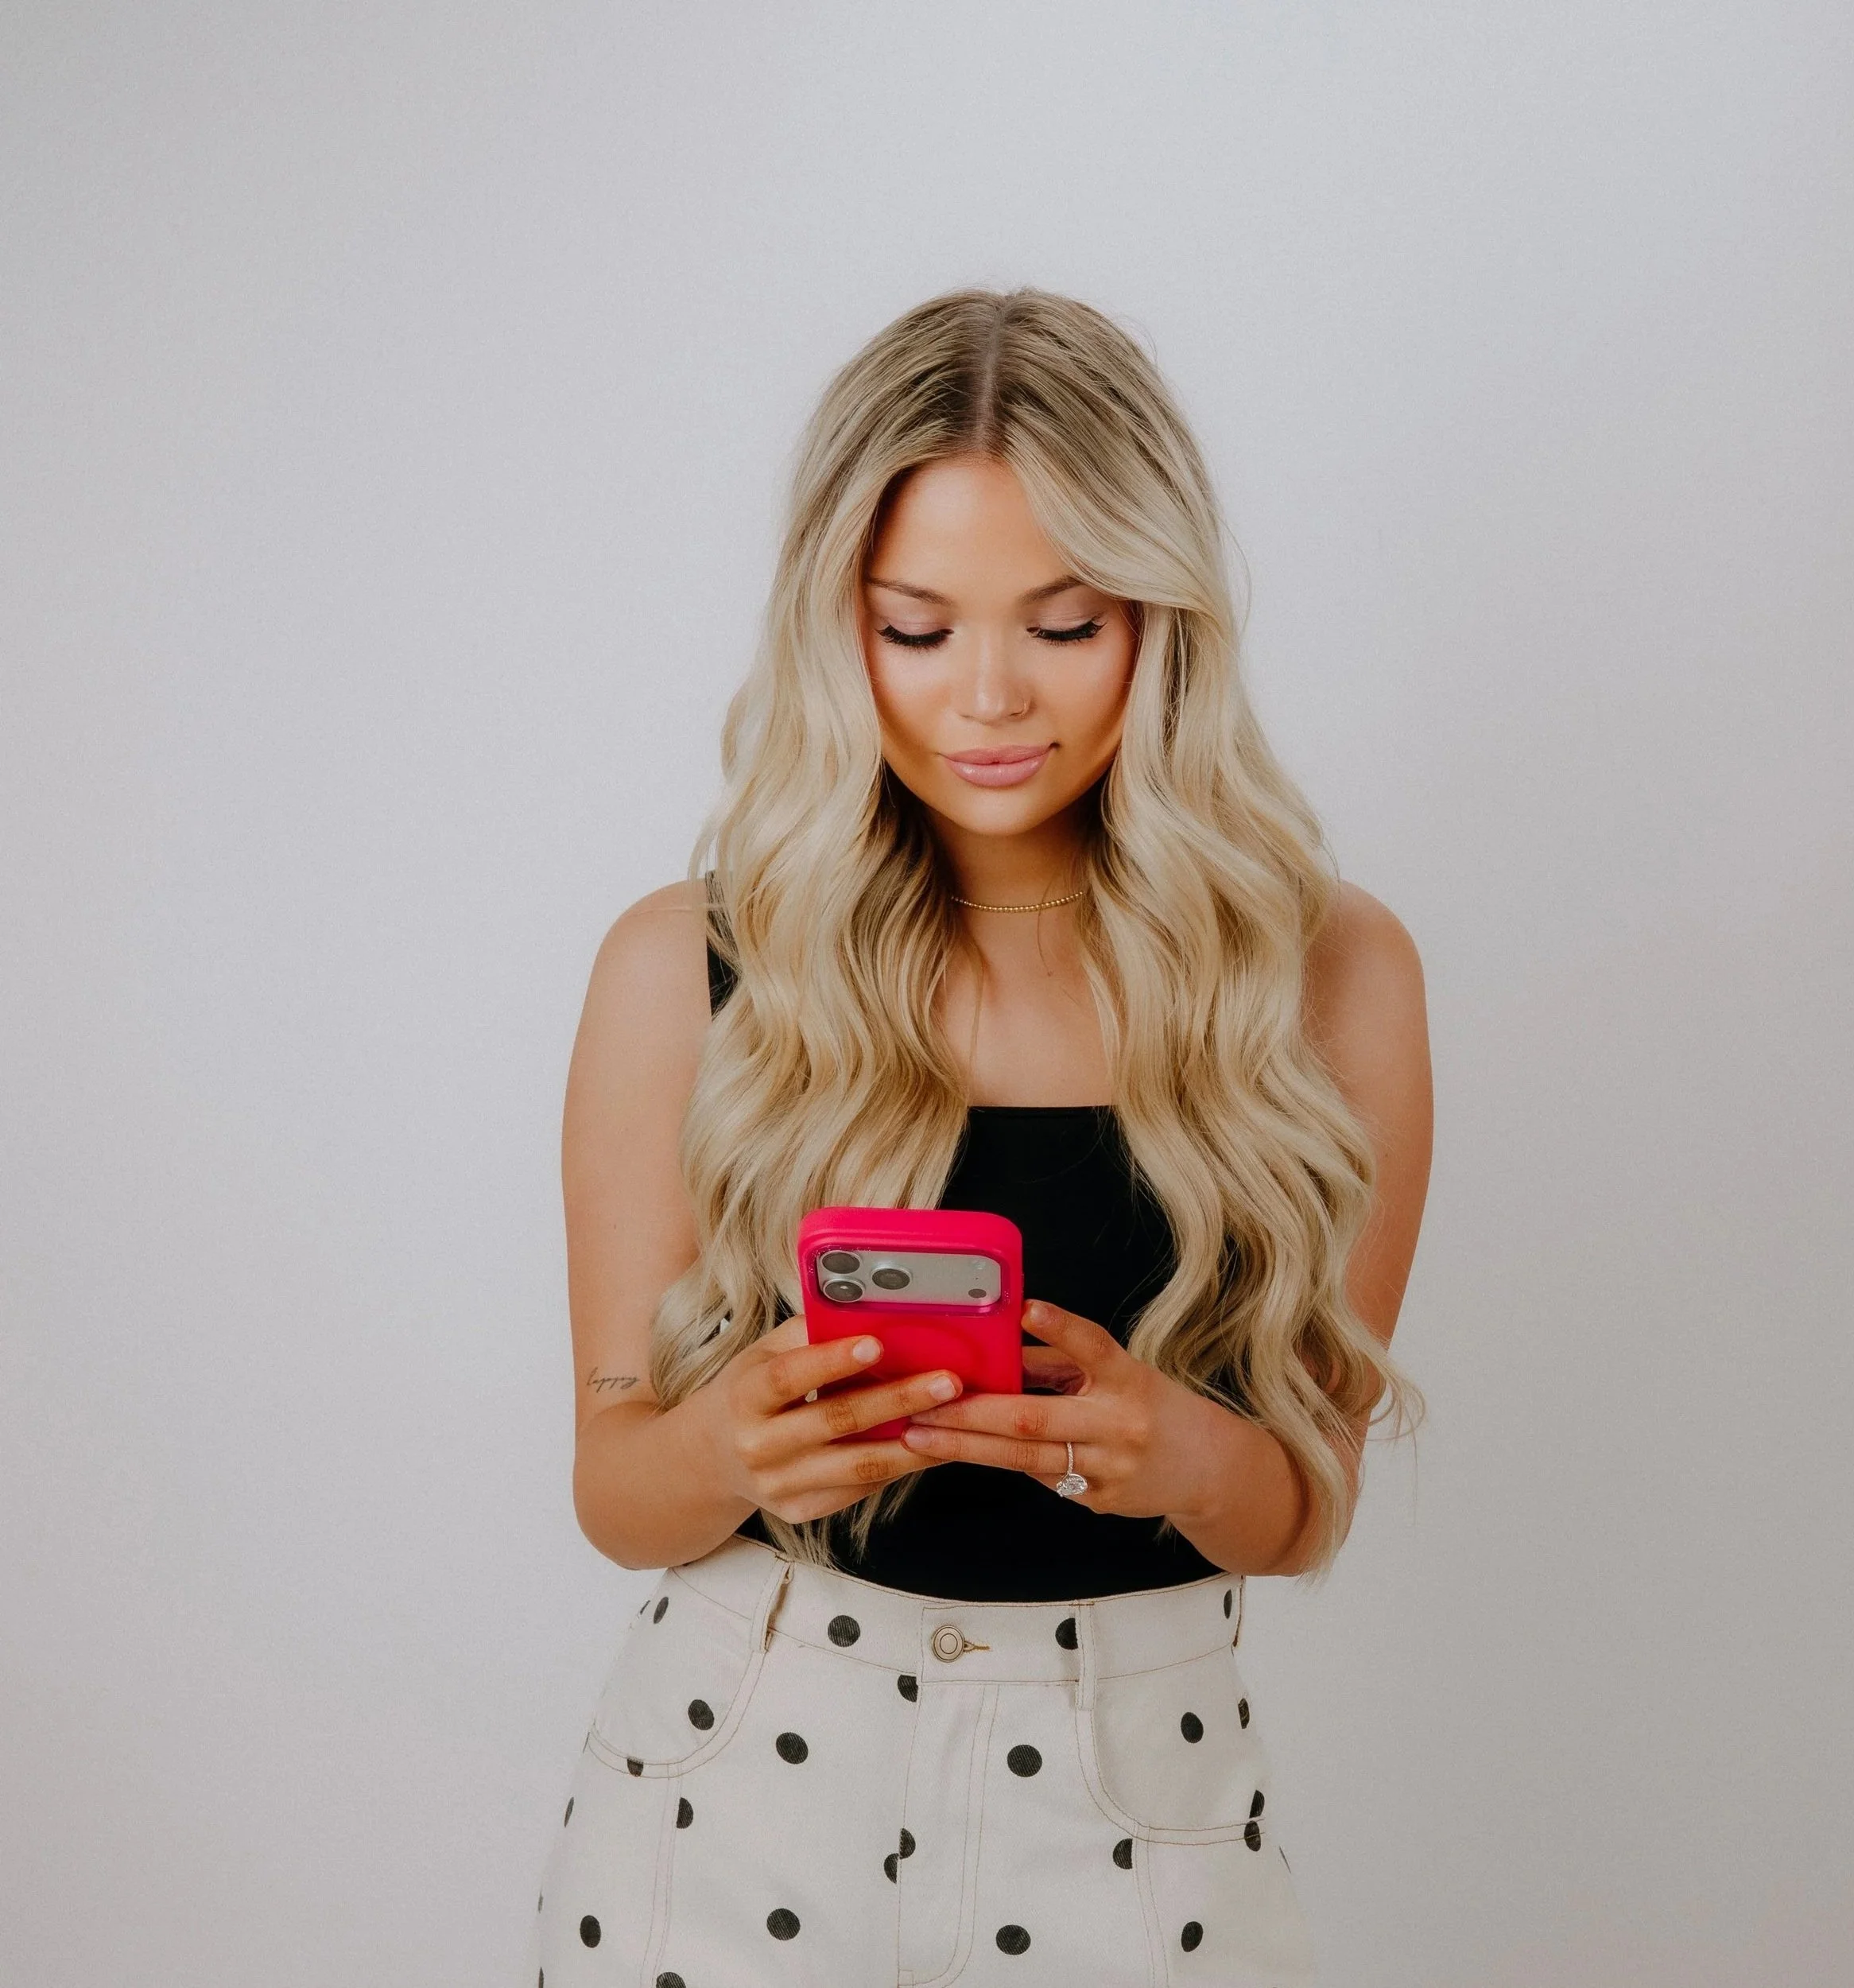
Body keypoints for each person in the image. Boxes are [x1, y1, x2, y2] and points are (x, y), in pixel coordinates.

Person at [528, 287, 1433, 1987]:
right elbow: (614, 1481)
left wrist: (1171, 1444)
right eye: (916, 627)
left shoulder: (1325, 974)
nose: (990, 695)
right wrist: (734, 1444)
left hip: (1139, 1806)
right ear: (832, 625)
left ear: (1160, 618)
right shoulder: (686, 960)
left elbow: (1303, 1504)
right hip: (730, 1800)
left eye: (1066, 621)